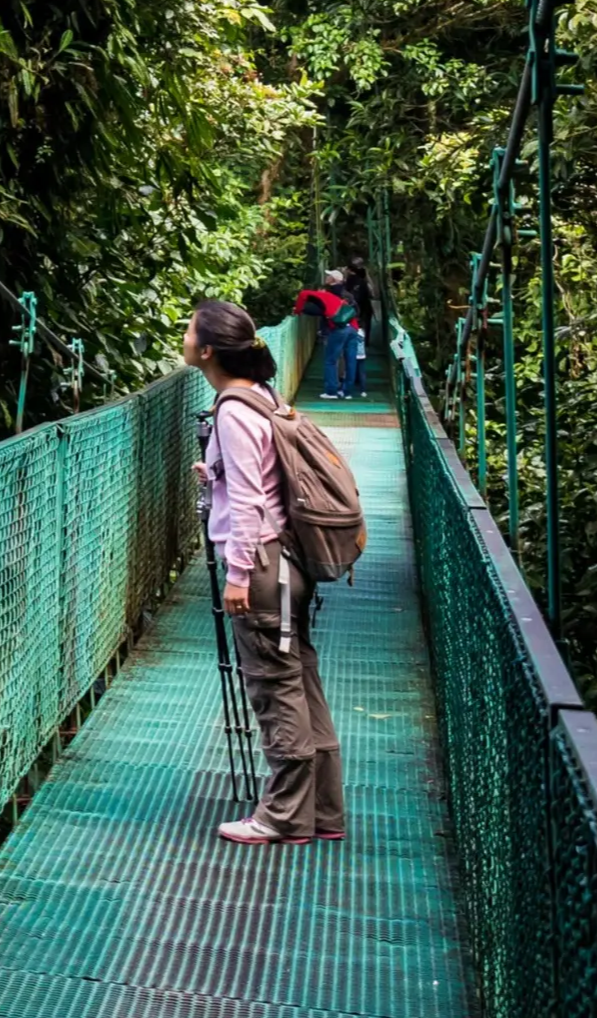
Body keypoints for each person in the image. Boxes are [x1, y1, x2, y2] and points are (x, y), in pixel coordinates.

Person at [185, 300, 346, 845]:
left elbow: (253, 504)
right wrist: (216, 472)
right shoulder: (262, 397)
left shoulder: (230, 411)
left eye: (190, 330)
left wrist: (237, 575)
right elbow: (266, 473)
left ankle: (282, 817)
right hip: (289, 564)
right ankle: (323, 811)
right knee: (301, 680)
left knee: (276, 690)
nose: (184, 337)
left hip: (261, 570)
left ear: (208, 350)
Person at [294, 271, 363, 399]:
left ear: (333, 280)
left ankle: (331, 391)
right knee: (350, 360)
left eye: (328, 276)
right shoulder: (344, 296)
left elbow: (304, 294)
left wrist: (298, 309)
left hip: (339, 329)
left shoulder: (326, 295)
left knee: (330, 361)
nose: (326, 277)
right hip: (353, 328)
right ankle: (347, 391)